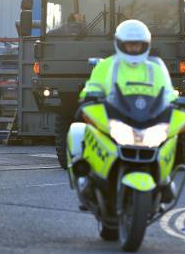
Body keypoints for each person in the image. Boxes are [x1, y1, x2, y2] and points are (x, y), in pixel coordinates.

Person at [68, 19, 175, 209]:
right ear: (119, 44)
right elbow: (91, 87)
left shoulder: (155, 69)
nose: (133, 49)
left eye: (138, 45)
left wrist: (178, 103)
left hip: (146, 121)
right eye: (129, 45)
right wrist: (88, 97)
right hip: (115, 119)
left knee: (169, 138)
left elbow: (168, 93)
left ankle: (164, 180)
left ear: (146, 45)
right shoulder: (107, 66)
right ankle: (86, 179)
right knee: (80, 132)